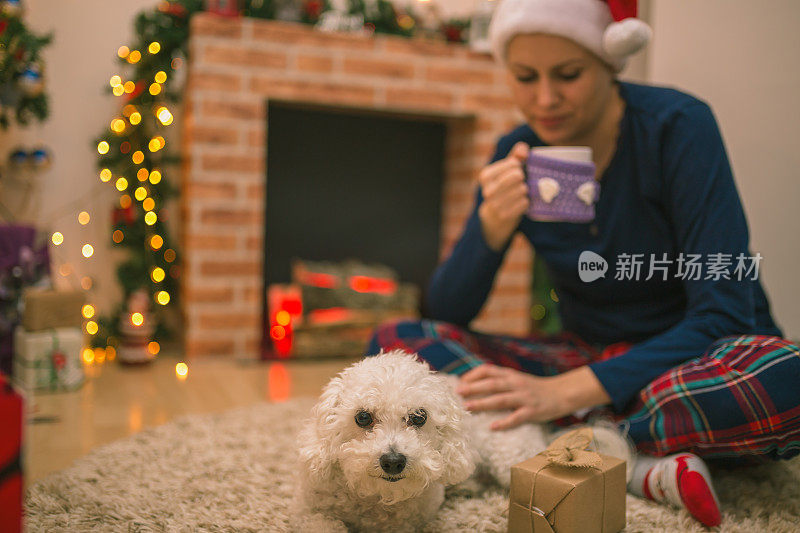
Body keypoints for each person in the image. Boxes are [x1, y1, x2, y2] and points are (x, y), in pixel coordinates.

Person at [365, 0, 800, 528]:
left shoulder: (677, 127)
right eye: (525, 77)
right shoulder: (519, 153)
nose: (545, 99)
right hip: (585, 355)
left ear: (609, 64)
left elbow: (725, 313)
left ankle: (562, 435)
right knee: (397, 341)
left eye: (568, 75)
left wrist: (561, 395)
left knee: (788, 377)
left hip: (691, 359)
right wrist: (490, 230)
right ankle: (630, 450)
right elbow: (447, 311)